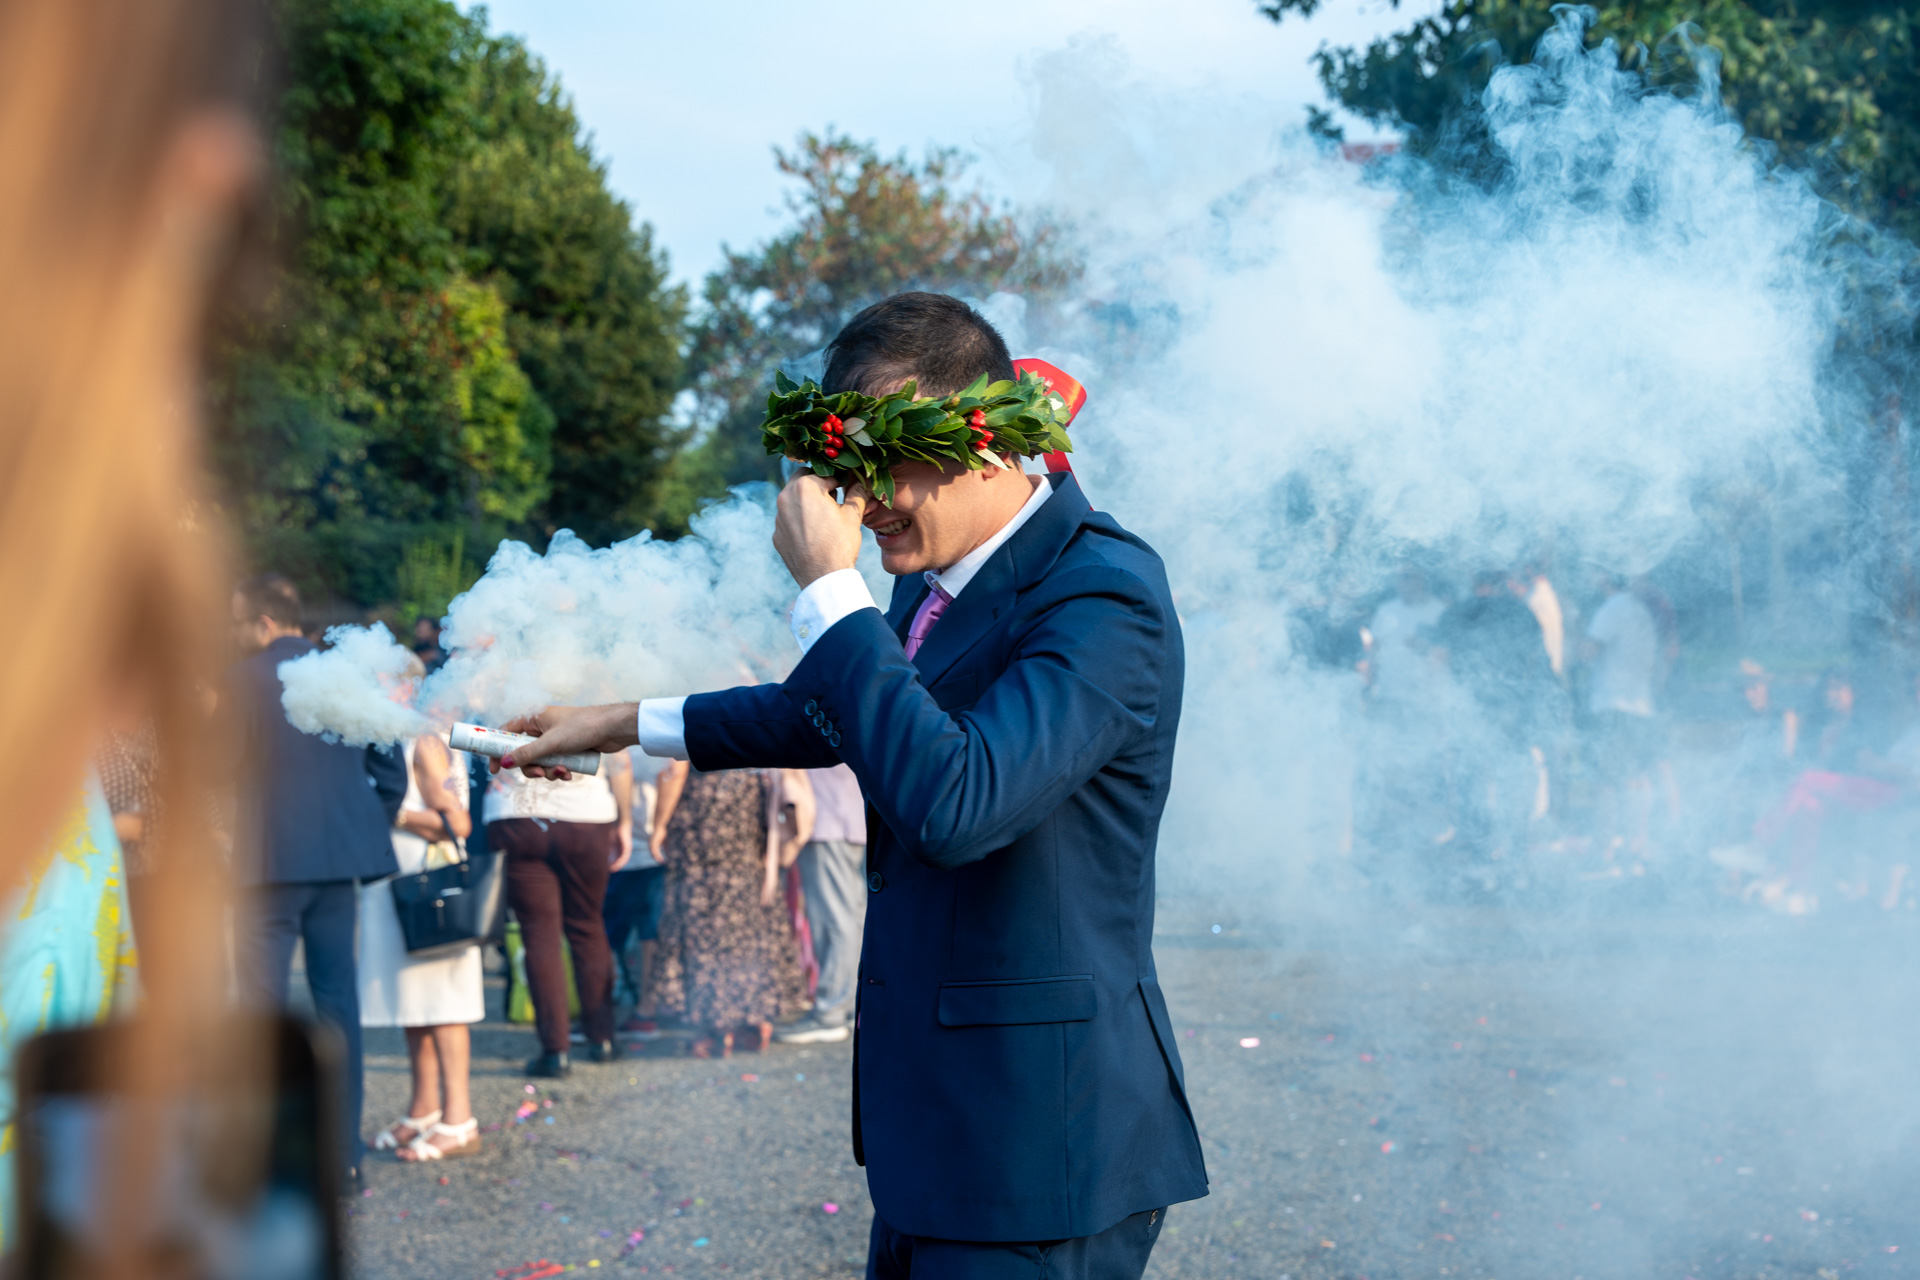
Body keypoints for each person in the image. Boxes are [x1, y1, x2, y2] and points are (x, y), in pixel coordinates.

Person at [497, 292, 1208, 1277]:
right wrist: (618, 722)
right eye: (842, 469)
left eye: (882, 463)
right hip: (938, 1130)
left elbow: (956, 804)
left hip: (1041, 1139)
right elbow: (828, 711)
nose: (859, 502)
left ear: (989, 441)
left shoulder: (1104, 591)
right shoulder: (930, 575)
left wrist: (832, 595)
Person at [232, 572, 406, 1179]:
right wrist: (360, 825)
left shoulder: (240, 680)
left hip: (265, 862)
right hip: (337, 863)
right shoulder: (348, 676)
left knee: (261, 1012)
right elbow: (391, 771)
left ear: (263, 622)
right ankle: (343, 1156)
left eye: (237, 623)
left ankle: (267, 1160)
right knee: (338, 1005)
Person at [357, 661, 485, 1162]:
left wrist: (393, 813)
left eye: (379, 679)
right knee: (414, 1005)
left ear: (407, 686)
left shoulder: (424, 741)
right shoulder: (388, 738)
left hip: (430, 888)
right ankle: (423, 1109)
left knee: (444, 1006)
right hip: (399, 885)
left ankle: (459, 1118)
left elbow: (458, 823)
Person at [646, 763, 812, 1056]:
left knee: (704, 916)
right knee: (748, 910)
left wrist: (659, 825)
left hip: (704, 806)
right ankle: (753, 1021)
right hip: (749, 798)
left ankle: (716, 1027)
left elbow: (676, 766)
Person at [487, 742, 631, 1077]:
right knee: (588, 925)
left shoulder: (499, 702)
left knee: (539, 935)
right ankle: (603, 1038)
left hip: (516, 814)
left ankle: (555, 1052)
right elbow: (620, 761)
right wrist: (625, 822)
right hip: (586, 814)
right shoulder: (596, 701)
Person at [777, 763, 867, 1044]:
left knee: (835, 923)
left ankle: (831, 1012)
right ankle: (846, 1007)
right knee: (850, 920)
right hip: (845, 819)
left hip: (827, 819)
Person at [605, 751, 666, 1028]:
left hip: (650, 847)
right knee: (609, 931)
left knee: (649, 931)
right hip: (617, 847)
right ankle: (607, 1009)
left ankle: (645, 1009)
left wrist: (661, 826)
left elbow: (676, 770)